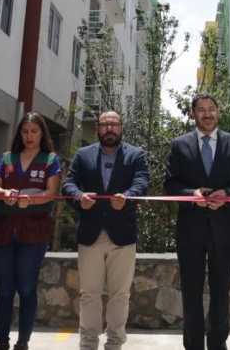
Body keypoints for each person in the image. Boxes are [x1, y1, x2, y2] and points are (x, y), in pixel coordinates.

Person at [163, 93, 230, 350]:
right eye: (201, 110)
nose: (207, 114)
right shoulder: (180, 145)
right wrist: (191, 195)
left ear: (219, 111)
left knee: (220, 292)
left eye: (211, 109)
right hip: (190, 229)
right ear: (193, 114)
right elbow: (170, 184)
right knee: (191, 292)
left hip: (224, 229)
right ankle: (193, 345)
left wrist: (227, 194)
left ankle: (217, 343)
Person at [62, 110, 150, 350]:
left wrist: (128, 197)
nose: (109, 128)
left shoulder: (136, 155)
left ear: (122, 127)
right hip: (90, 234)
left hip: (122, 235)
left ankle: (114, 343)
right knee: (89, 294)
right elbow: (68, 183)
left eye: (114, 124)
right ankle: (88, 344)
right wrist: (79, 197)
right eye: (104, 124)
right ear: (98, 128)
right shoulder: (83, 155)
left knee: (120, 294)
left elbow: (142, 182)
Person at [0, 112, 61, 350]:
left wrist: (31, 200)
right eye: (25, 131)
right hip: (4, 230)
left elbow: (51, 194)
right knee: (5, 289)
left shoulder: (50, 160)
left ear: (42, 134)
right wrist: (3, 194)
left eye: (34, 131)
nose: (29, 136)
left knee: (27, 288)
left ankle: (23, 341)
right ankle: (1, 341)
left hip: (33, 232)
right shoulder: (7, 158)